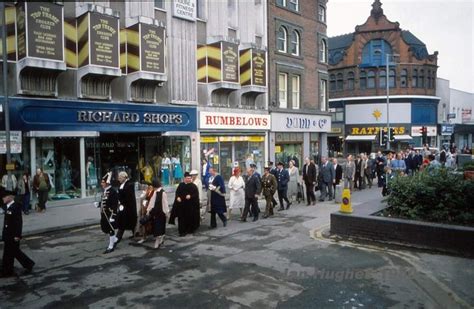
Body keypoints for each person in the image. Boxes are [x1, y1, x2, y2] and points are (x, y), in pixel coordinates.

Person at [1, 190, 35, 277]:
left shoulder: (15, 207)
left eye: (4, 197)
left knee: (10, 253)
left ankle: (7, 271)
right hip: (7, 234)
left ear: (9, 197)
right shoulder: (7, 206)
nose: (2, 198)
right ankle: (27, 264)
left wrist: (17, 235)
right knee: (13, 252)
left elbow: (18, 222)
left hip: (13, 235)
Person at [97, 172, 119, 254]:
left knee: (111, 230)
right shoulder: (105, 190)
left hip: (110, 214)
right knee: (105, 228)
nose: (101, 184)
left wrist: (113, 215)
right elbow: (105, 201)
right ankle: (115, 240)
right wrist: (99, 205)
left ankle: (111, 246)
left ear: (107, 182)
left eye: (103, 182)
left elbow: (114, 205)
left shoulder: (113, 192)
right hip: (104, 214)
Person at [146, 179, 169, 249]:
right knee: (158, 227)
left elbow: (165, 204)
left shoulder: (162, 193)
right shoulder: (156, 192)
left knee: (160, 227)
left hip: (161, 213)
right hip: (156, 213)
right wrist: (148, 210)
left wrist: (166, 212)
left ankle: (159, 240)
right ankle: (160, 239)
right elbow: (152, 202)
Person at [116, 171, 137, 243]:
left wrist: (120, 198)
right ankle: (135, 233)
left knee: (128, 221)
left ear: (124, 177)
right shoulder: (123, 184)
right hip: (124, 206)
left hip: (129, 207)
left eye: (120, 178)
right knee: (125, 221)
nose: (118, 179)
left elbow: (127, 196)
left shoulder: (129, 185)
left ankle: (119, 236)